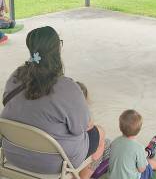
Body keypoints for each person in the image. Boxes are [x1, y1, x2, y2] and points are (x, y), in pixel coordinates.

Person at [1, 26, 106, 178]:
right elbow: (82, 128)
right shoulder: (68, 88)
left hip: (14, 153)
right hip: (55, 163)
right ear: (57, 49)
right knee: (100, 132)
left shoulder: (15, 76)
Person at [109, 109, 156, 179]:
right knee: (150, 163)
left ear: (120, 127)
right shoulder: (138, 147)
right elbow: (141, 169)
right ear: (139, 130)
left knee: (133, 157)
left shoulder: (114, 142)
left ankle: (148, 152)